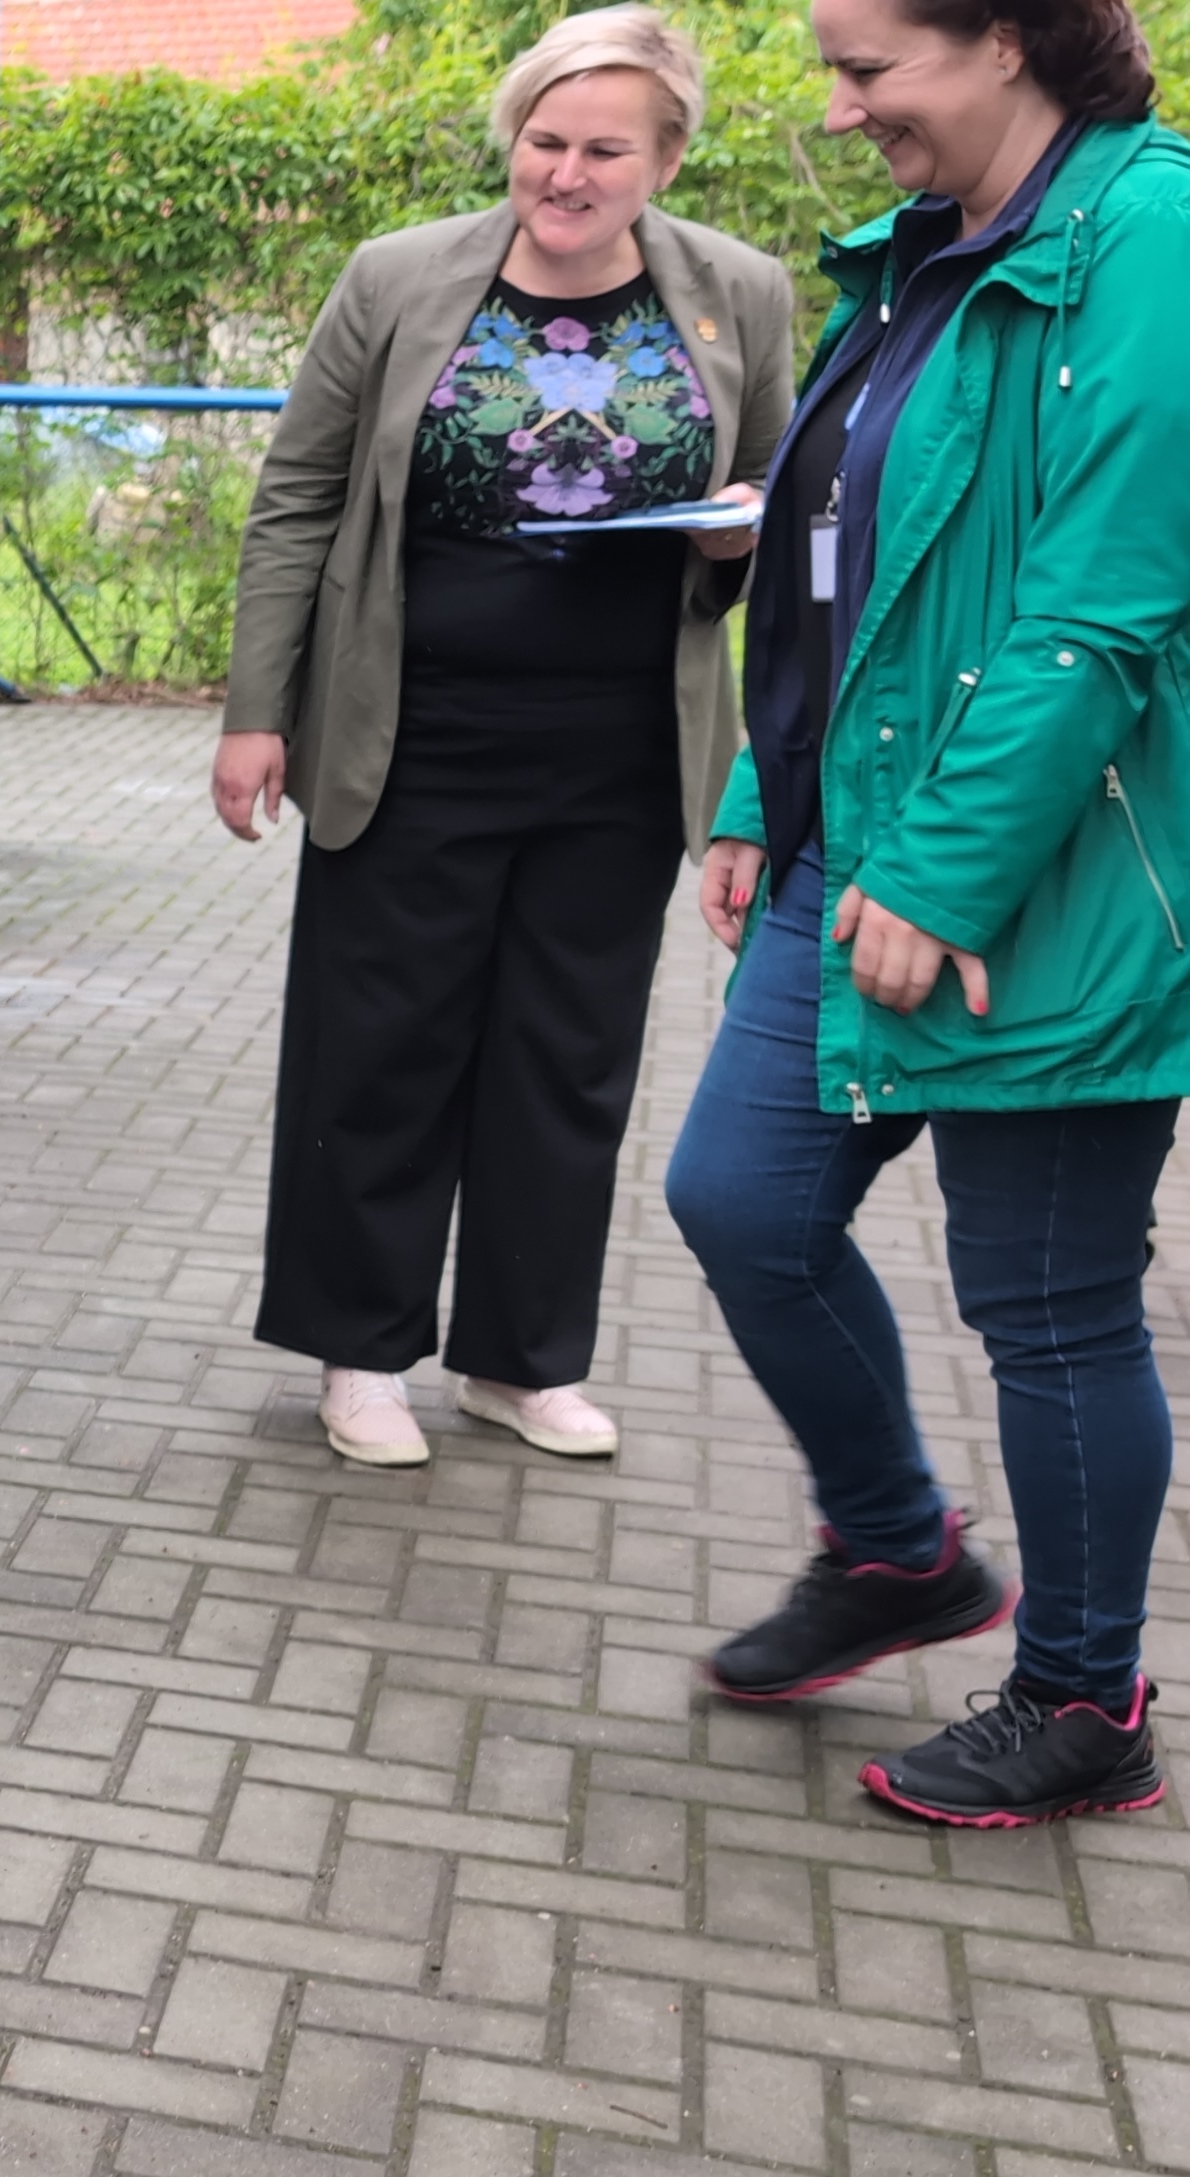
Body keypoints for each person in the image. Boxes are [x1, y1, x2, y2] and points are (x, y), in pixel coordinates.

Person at [662, 0, 1188, 1826]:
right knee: (740, 1200)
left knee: (1046, 1297)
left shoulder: (1153, 238)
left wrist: (947, 870)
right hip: (860, 830)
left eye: (870, 67)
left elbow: (1105, 599)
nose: (839, 107)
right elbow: (846, 562)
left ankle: (1086, 1703)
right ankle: (899, 1548)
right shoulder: (921, 253)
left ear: (1009, 42)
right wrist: (767, 789)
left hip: (1057, 859)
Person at [218, 7, 798, 1469]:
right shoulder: (399, 277)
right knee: (381, 1050)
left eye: (606, 149)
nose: (568, 174)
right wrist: (256, 714)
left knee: (570, 1060)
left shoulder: (740, 292)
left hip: (620, 750)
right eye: (546, 140)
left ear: (666, 160)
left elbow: (782, 504)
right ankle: (362, 1354)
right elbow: (297, 498)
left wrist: (742, 536)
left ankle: (521, 1361)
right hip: (410, 734)